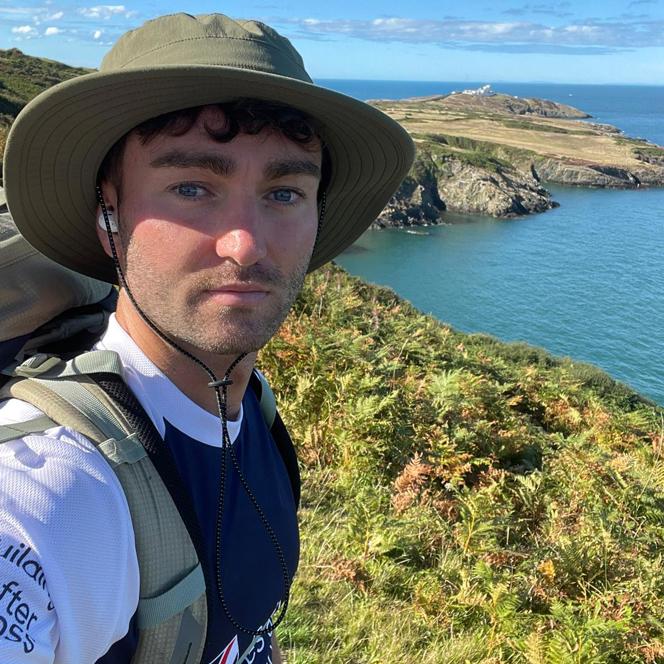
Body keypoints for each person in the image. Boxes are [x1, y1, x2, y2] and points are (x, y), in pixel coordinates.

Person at [0, 12, 414, 664]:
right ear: (110, 213)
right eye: (192, 187)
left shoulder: (252, 409)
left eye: (283, 192)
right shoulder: (56, 486)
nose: (245, 244)